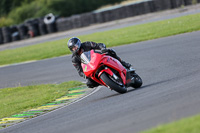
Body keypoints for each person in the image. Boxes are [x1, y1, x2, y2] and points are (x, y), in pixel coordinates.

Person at [68, 37, 132, 88]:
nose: (74, 49)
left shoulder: (86, 44)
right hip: (91, 68)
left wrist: (103, 48)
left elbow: (99, 45)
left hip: (98, 58)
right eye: (72, 48)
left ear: (78, 44)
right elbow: (80, 71)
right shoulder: (74, 59)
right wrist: (85, 75)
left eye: (75, 46)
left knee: (110, 51)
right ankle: (106, 82)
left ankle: (123, 64)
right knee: (89, 83)